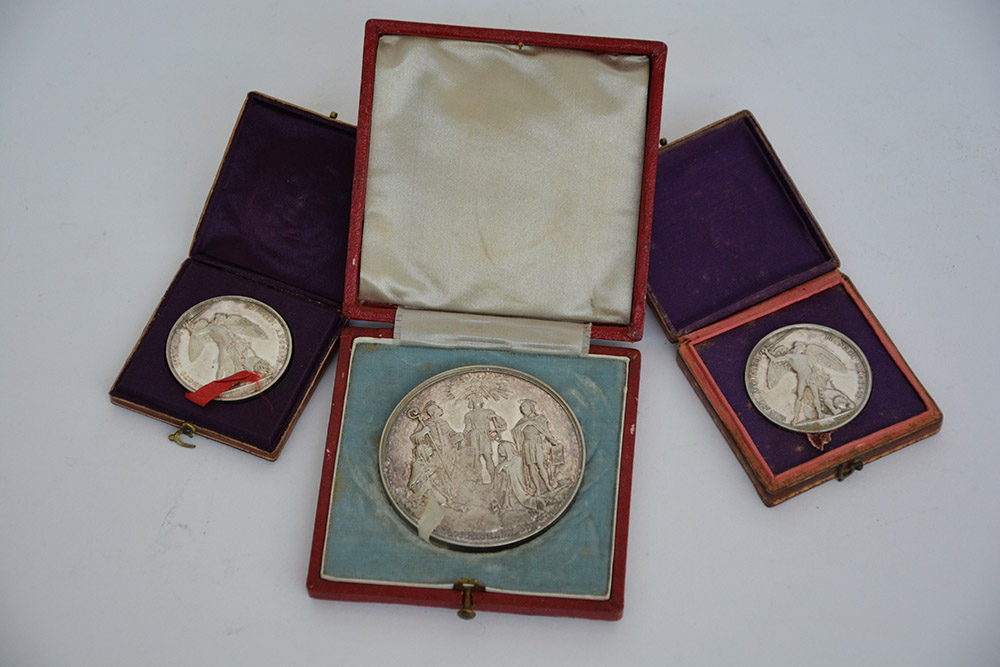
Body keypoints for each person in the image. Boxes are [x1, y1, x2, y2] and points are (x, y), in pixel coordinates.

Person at [511, 400, 559, 494]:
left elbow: (545, 431)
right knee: (531, 467)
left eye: (524, 406)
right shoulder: (522, 421)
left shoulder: (539, 418)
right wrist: (525, 424)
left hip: (537, 444)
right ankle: (538, 489)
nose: (523, 409)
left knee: (541, 464)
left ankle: (548, 485)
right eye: (522, 407)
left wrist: (553, 441)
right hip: (527, 444)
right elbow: (514, 432)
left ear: (531, 407)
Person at [463, 394, 507, 483]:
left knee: (488, 456)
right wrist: (463, 436)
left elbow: (503, 424)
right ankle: (478, 479)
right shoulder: (468, 414)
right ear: (471, 402)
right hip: (474, 436)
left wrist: (495, 416)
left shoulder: (488, 412)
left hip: (484, 435)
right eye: (474, 399)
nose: (476, 400)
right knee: (476, 457)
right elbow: (468, 427)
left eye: (478, 398)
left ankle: (494, 479)